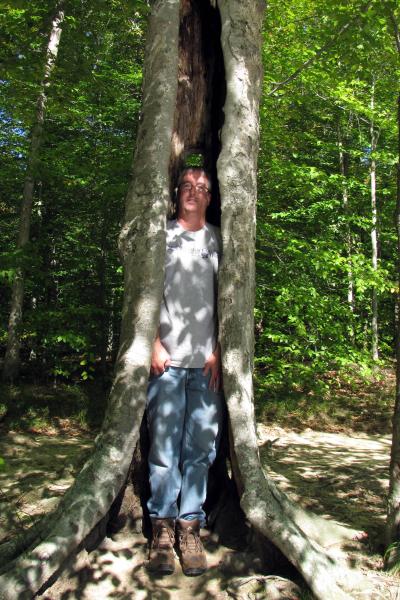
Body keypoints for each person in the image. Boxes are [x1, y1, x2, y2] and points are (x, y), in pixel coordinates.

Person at [146, 167, 223, 576]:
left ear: (210, 198)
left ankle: (189, 525)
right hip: (167, 363)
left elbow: (230, 298)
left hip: (207, 365)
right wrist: (154, 342)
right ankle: (161, 529)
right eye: (187, 187)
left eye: (202, 188)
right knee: (163, 450)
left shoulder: (217, 240)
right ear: (177, 194)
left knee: (199, 452)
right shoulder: (162, 236)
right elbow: (146, 292)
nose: (194, 193)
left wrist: (220, 351)